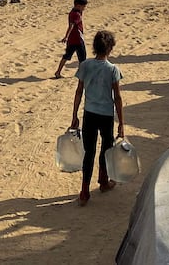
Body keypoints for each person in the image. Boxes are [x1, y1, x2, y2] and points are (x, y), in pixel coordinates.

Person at [69, 30, 125, 207]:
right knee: (106, 149)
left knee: (89, 152)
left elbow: (79, 91)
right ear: (110, 49)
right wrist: (121, 123)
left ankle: (84, 191)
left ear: (94, 47)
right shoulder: (113, 69)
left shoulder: (85, 65)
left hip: (89, 114)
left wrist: (74, 115)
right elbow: (117, 98)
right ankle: (103, 180)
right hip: (106, 115)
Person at [54, 0, 87, 79]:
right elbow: (71, 26)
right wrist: (66, 36)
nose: (84, 8)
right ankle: (82, 74)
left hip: (71, 40)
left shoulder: (73, 12)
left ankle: (58, 72)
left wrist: (67, 37)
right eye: (83, 6)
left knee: (66, 56)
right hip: (78, 39)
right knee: (82, 58)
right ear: (78, 6)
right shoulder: (76, 14)